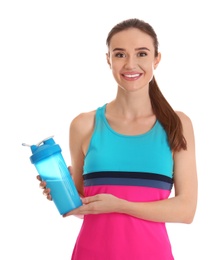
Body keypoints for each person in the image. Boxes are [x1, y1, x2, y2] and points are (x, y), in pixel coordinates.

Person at [37, 18, 198, 260]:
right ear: (108, 60)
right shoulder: (84, 125)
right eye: (120, 54)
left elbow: (186, 210)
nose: (130, 64)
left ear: (156, 59)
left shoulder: (176, 124)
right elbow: (84, 206)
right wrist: (62, 190)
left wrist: (120, 205)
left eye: (141, 53)